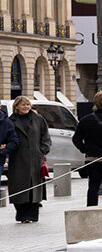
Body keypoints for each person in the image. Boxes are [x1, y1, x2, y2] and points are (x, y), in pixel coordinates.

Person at [4, 96, 49, 224]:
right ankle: (22, 214)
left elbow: (45, 137)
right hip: (17, 159)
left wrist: (43, 150)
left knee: (34, 186)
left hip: (35, 158)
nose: (26, 107)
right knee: (19, 187)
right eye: (23, 105)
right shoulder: (10, 121)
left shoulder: (38, 119)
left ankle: (32, 215)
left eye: (28, 105)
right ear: (16, 106)